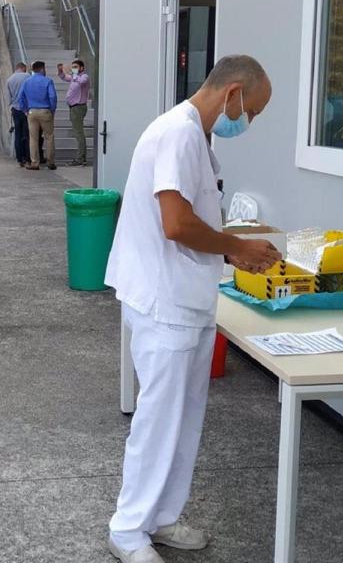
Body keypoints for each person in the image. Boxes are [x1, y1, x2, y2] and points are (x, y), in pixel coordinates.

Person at [104, 55, 281, 563]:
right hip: (165, 301)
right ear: (232, 95)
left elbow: (191, 216)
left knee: (184, 418)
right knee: (159, 420)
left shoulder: (194, 137)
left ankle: (160, 518)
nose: (250, 122)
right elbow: (176, 223)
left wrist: (232, 244)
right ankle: (128, 528)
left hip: (186, 296)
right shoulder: (178, 134)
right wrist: (234, 248)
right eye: (254, 110)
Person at [14, 61, 57, 170]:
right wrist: (52, 109)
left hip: (31, 112)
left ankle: (34, 162)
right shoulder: (48, 81)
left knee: (33, 138)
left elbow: (20, 97)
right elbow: (52, 96)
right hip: (45, 111)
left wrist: (25, 109)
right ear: (42, 69)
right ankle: (50, 162)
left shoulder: (27, 82)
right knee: (49, 137)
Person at [57, 59, 91, 166]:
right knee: (78, 132)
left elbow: (82, 82)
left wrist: (74, 74)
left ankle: (81, 158)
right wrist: (61, 71)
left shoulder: (84, 76)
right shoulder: (74, 77)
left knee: (78, 133)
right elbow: (64, 77)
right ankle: (81, 157)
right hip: (73, 107)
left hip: (78, 107)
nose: (73, 69)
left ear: (82, 68)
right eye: (73, 67)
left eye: (76, 67)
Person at [6, 63, 32, 167]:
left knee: (18, 133)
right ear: (23, 68)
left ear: (16, 68)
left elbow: (9, 98)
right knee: (27, 134)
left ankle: (19, 158)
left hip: (15, 109)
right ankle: (27, 157)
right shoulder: (28, 77)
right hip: (26, 109)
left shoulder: (9, 79)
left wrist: (11, 106)